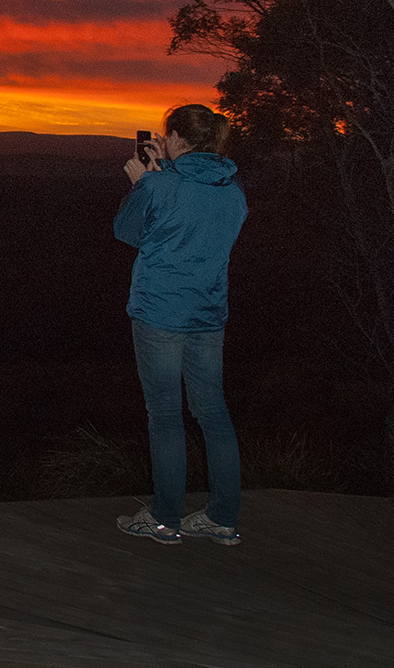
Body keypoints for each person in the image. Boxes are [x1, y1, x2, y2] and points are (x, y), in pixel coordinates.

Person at [113, 104, 247, 546]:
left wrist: (143, 183)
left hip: (160, 313)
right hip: (208, 315)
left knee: (165, 416)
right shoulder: (233, 190)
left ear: (174, 138)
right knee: (213, 412)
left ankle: (165, 519)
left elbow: (127, 232)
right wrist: (160, 177)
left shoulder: (159, 186)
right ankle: (222, 518)